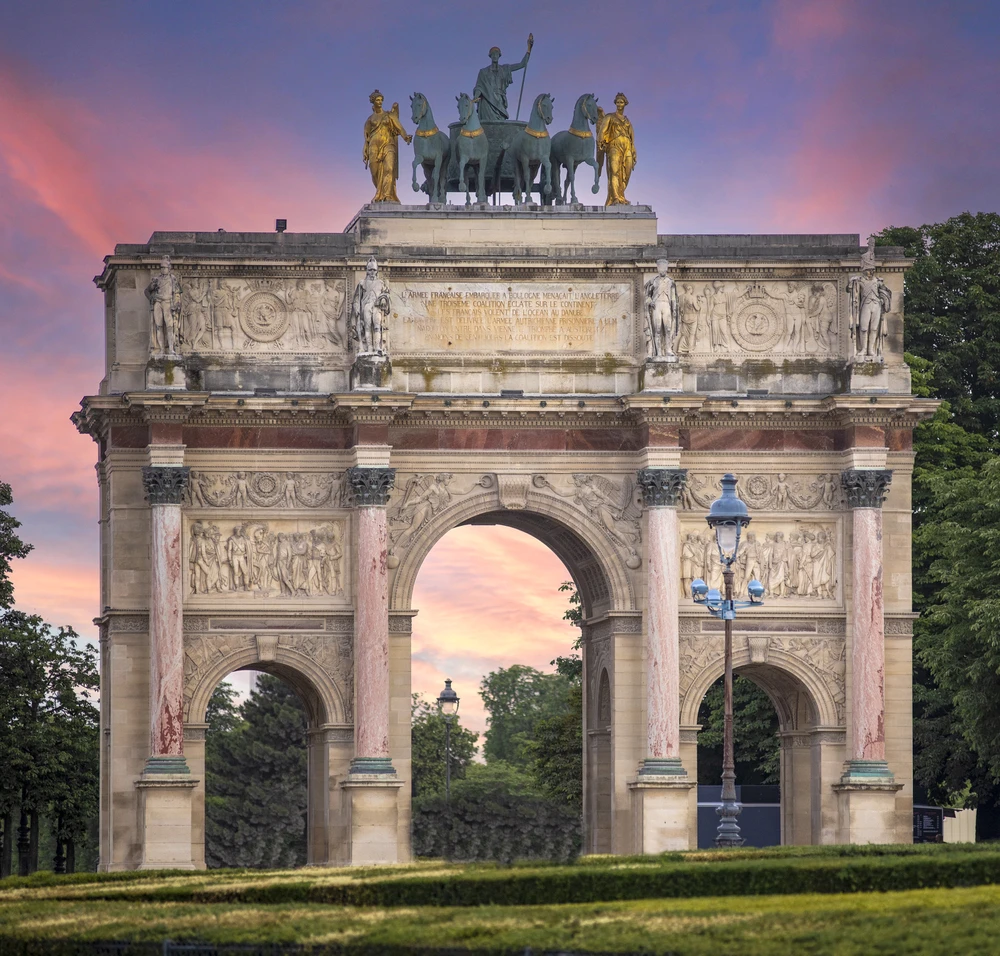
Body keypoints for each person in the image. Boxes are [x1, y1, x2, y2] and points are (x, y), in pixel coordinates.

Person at [363, 90, 412, 203]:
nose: (379, 102)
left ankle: (387, 195)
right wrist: (365, 150)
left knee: (389, 169)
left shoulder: (389, 115)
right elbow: (366, 138)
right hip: (374, 146)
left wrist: (405, 137)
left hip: (388, 144)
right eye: (377, 100)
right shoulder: (369, 120)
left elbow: (399, 127)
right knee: (374, 171)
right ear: (373, 102)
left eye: (381, 100)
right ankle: (379, 193)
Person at [473, 39, 531, 122]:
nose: (495, 56)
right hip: (487, 100)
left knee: (500, 124)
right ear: (490, 56)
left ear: (499, 56)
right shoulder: (483, 72)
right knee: (487, 124)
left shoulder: (505, 69)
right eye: (493, 54)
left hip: (500, 99)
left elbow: (522, 64)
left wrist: (529, 49)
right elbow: (479, 86)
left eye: (497, 54)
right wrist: (476, 96)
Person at [597, 93, 636, 206]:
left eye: (621, 102)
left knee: (626, 173)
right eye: (618, 102)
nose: (619, 104)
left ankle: (621, 195)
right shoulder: (609, 117)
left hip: (627, 147)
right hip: (614, 146)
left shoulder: (627, 121)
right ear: (615, 103)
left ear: (625, 104)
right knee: (614, 172)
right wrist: (601, 142)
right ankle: (615, 198)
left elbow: (632, 138)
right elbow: (602, 131)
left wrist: (633, 150)